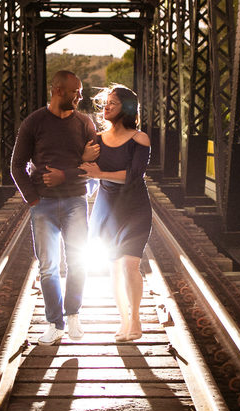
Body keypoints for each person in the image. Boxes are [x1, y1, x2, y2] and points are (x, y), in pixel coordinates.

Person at [11, 70, 100, 345]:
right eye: (76, 91)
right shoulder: (34, 123)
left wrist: (65, 174)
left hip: (75, 200)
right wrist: (32, 198)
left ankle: (73, 315)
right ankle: (54, 323)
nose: (80, 97)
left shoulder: (84, 123)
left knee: (77, 262)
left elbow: (94, 168)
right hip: (44, 205)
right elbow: (16, 166)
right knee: (48, 266)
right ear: (58, 90)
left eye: (81, 92)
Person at [81, 85, 152, 342]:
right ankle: (124, 321)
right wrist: (83, 158)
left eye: (113, 103)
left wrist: (99, 174)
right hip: (105, 209)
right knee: (113, 267)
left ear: (127, 108)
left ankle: (135, 322)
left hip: (134, 208)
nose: (106, 107)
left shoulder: (139, 139)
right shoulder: (97, 140)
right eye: (106, 102)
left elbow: (133, 176)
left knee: (130, 265)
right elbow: (83, 167)